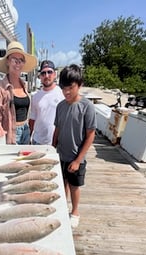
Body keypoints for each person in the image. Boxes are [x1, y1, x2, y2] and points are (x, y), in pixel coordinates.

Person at [52, 64, 97, 228]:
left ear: (80, 84)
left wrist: (78, 160)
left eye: (70, 87)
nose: (66, 92)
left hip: (76, 156)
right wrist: (52, 148)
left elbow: (91, 134)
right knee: (61, 182)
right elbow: (57, 128)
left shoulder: (87, 107)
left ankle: (75, 211)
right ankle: (62, 207)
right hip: (60, 154)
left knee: (74, 186)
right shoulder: (60, 106)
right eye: (63, 88)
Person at [0, 41, 37, 144]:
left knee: (25, 159)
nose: (18, 63)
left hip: (26, 129)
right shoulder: (0, 87)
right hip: (12, 132)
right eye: (14, 59)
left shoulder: (25, 85)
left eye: (21, 60)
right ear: (7, 61)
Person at [29, 60, 64, 145]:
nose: (46, 75)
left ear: (55, 74)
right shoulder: (35, 96)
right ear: (40, 76)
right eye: (43, 73)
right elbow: (32, 119)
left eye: (49, 72)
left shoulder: (62, 94)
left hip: (56, 142)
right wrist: (29, 137)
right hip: (37, 141)